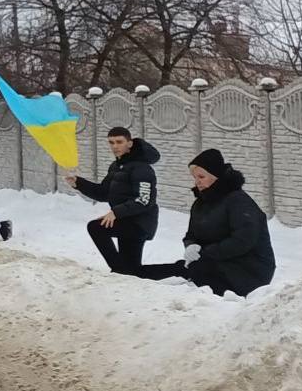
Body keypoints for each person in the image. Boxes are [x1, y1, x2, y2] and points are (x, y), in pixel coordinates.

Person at [135, 149, 276, 297]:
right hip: (214, 263)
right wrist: (191, 246)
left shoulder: (238, 201)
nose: (197, 182)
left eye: (201, 177)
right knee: (171, 272)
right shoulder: (201, 203)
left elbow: (243, 241)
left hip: (248, 271)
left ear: (216, 176)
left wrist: (204, 254)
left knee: (189, 281)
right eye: (195, 177)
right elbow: (191, 234)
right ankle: (133, 275)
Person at [68, 126, 161, 276]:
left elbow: (144, 200)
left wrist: (116, 212)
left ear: (129, 143)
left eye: (119, 142)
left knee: (96, 227)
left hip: (140, 223)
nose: (115, 146)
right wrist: (79, 183)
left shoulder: (142, 168)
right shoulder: (117, 167)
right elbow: (103, 193)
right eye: (111, 142)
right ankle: (181, 269)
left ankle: (118, 269)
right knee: (133, 271)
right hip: (126, 220)